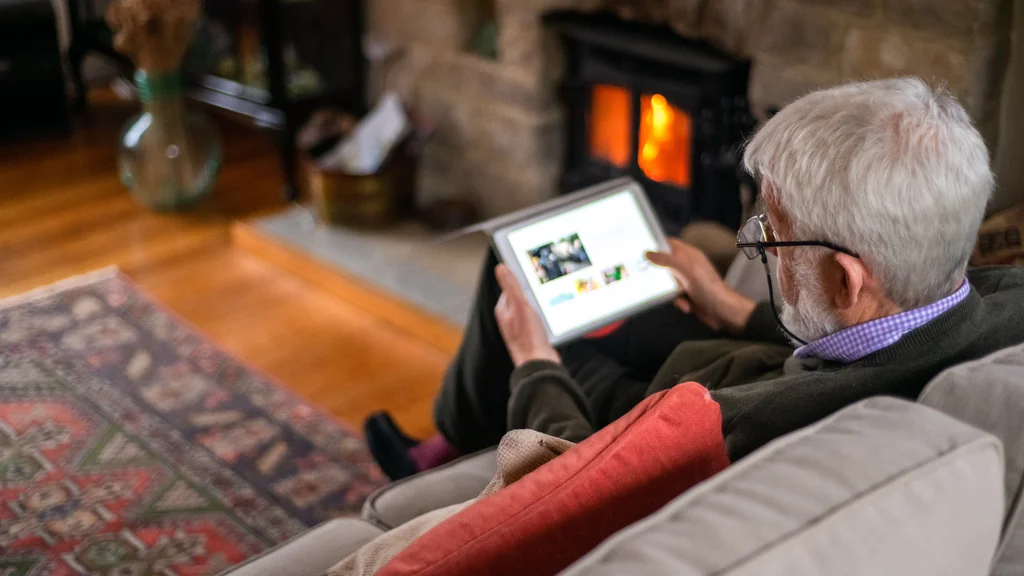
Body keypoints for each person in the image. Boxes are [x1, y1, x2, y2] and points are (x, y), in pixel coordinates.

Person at [366, 78, 1024, 480]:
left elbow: (569, 475)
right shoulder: (1004, 304)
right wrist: (736, 308)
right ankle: (452, 433)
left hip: (655, 406)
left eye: (773, 233)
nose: (760, 244)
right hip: (738, 355)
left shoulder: (750, 425)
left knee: (514, 279)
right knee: (547, 276)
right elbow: (869, 335)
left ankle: (447, 441)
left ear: (846, 282)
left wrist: (535, 363)